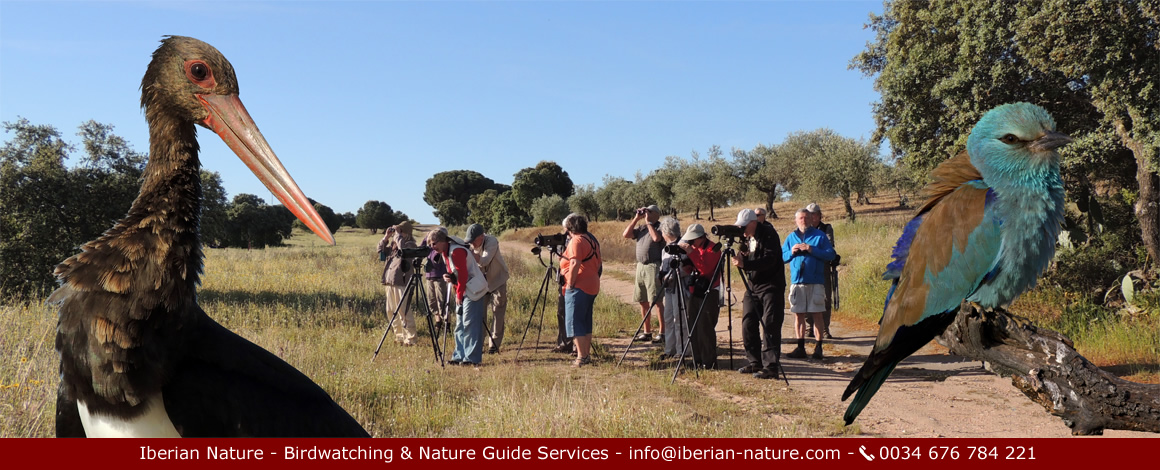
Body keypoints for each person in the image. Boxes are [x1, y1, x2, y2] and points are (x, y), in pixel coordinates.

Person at [730, 209, 787, 380]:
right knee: (748, 322)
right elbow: (748, 256)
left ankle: (771, 366)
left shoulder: (769, 234)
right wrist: (743, 256)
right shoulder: (747, 237)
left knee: (770, 324)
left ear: (753, 223)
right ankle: (754, 361)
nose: (742, 230)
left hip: (771, 285)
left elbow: (769, 260)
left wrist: (746, 263)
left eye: (744, 226)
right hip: (753, 285)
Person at [782, 208, 836, 360]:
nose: (803, 221)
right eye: (800, 218)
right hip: (797, 282)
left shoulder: (819, 236)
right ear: (796, 220)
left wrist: (811, 249)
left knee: (817, 314)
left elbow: (830, 254)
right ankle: (800, 348)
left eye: (806, 218)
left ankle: (818, 348)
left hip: (816, 282)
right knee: (798, 315)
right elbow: (781, 257)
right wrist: (791, 252)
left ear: (812, 219)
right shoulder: (791, 237)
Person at [430, 230, 488, 367]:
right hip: (463, 290)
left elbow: (462, 274)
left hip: (472, 290)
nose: (432, 247)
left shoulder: (456, 251)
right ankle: (459, 356)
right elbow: (456, 274)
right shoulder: (446, 252)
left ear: (442, 241)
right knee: (460, 325)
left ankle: (472, 358)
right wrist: (448, 277)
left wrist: (459, 294)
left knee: (470, 324)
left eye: (434, 244)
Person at [677, 224, 723, 369]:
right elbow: (694, 268)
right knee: (693, 325)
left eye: (693, 240)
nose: (691, 243)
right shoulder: (696, 248)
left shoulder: (713, 248)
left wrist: (691, 252)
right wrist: (686, 265)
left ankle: (709, 361)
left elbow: (706, 268)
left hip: (709, 291)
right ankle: (697, 359)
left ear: (701, 237)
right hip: (695, 290)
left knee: (705, 326)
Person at [561, 213, 601, 367]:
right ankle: (586, 354)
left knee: (575, 322)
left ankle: (581, 357)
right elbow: (597, 264)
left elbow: (574, 263)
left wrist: (570, 283)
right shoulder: (590, 240)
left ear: (570, 227)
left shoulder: (576, 241)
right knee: (585, 321)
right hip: (591, 284)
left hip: (579, 286)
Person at [622, 204, 665, 343]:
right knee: (643, 300)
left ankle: (662, 333)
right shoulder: (641, 228)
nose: (646, 214)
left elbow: (656, 239)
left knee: (657, 300)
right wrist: (636, 218)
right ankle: (647, 332)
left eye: (649, 212)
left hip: (653, 265)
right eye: (645, 211)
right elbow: (626, 235)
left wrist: (649, 223)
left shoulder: (660, 227)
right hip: (641, 266)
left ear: (656, 214)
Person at [465, 224, 510, 354]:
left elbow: (484, 260)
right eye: (470, 241)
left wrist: (471, 254)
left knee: (498, 312)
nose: (472, 243)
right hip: (481, 282)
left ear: (481, 236)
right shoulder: (470, 244)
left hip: (498, 280)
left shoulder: (491, 241)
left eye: (474, 240)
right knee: (480, 314)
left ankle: (494, 345)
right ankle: (479, 343)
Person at [378, 221, 418, 346]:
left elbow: (404, 251)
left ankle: (410, 339)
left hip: (402, 282)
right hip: (390, 282)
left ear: (406, 232)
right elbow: (380, 250)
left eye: (400, 231)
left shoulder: (410, 245)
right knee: (391, 310)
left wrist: (398, 235)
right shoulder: (393, 247)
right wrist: (386, 237)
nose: (396, 234)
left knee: (403, 311)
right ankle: (399, 336)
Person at [804, 203, 837, 339]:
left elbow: (829, 247)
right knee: (806, 296)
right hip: (807, 267)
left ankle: (824, 328)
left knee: (825, 298)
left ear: (819, 215)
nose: (812, 217)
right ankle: (809, 327)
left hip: (823, 266)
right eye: (810, 215)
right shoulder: (803, 229)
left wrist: (812, 249)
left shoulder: (826, 228)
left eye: (815, 214)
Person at [657, 217, 687, 359]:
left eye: (662, 232)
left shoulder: (682, 246)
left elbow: (687, 268)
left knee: (679, 318)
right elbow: (663, 268)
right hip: (668, 288)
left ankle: (682, 350)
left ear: (666, 232)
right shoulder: (665, 249)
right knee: (668, 318)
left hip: (680, 287)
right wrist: (662, 277)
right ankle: (670, 349)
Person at [421, 228, 450, 327]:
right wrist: (427, 237)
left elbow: (436, 259)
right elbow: (422, 248)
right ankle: (438, 321)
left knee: (442, 300)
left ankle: (447, 322)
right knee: (431, 300)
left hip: (440, 276)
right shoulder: (431, 245)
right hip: (429, 276)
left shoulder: (441, 248)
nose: (432, 245)